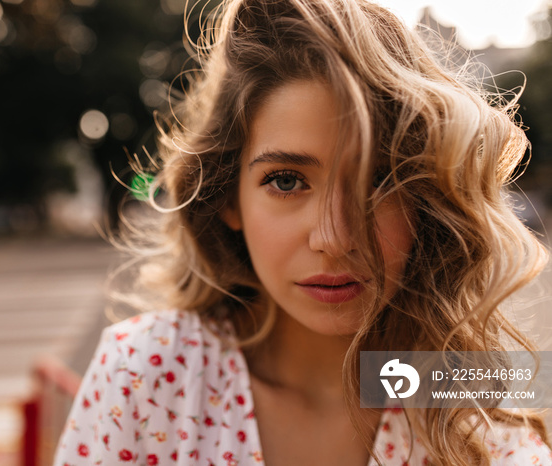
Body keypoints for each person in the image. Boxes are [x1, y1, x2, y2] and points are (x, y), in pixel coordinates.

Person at [54, 0, 552, 464]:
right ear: (229, 200)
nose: (333, 239)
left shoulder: (475, 417)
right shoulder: (145, 377)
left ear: (425, 201)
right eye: (286, 181)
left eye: (378, 180)